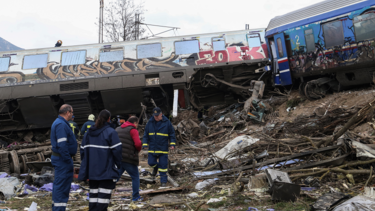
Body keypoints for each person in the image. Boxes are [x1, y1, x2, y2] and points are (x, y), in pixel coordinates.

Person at [78, 109, 122, 211]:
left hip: (92, 172)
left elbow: (82, 151)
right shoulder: (111, 132)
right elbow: (117, 151)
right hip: (106, 172)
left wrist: (86, 166)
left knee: (93, 198)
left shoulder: (88, 133)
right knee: (103, 200)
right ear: (109, 119)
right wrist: (118, 165)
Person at [50, 104, 77, 211]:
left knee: (61, 185)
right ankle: (58, 209)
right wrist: (68, 159)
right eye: (72, 112)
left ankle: (58, 208)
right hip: (62, 160)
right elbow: (62, 145)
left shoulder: (60, 123)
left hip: (62, 159)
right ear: (67, 112)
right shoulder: (61, 124)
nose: (72, 114)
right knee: (62, 186)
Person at [142, 107, 176, 187]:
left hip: (163, 149)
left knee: (163, 166)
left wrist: (172, 144)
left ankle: (163, 182)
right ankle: (155, 168)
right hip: (152, 148)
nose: (156, 117)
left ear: (161, 114)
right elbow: (145, 135)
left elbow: (172, 134)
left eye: (157, 116)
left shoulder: (167, 123)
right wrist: (145, 144)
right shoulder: (150, 123)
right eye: (155, 116)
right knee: (151, 163)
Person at [116, 116, 142, 201]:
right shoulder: (133, 130)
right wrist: (138, 150)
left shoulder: (118, 129)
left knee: (115, 176)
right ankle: (135, 196)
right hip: (129, 158)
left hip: (118, 157)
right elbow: (138, 144)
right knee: (135, 177)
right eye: (137, 124)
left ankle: (104, 192)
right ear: (135, 123)